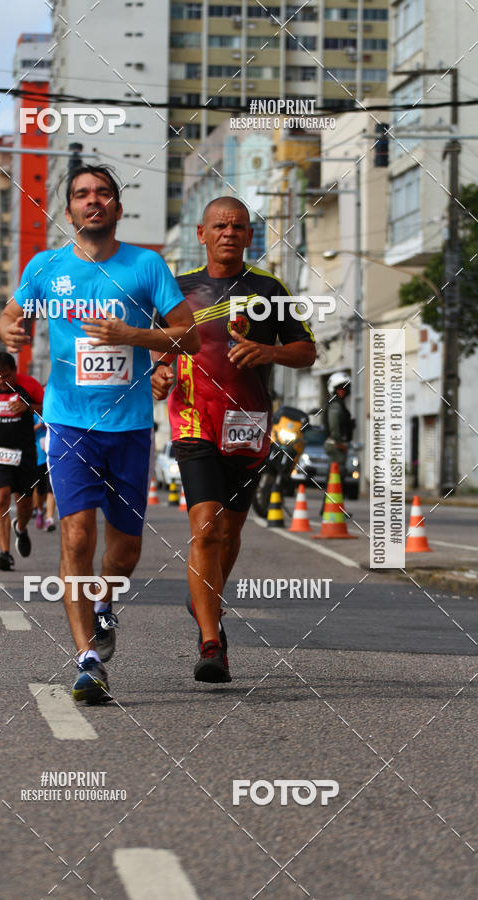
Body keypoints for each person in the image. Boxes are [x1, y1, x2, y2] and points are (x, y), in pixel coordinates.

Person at [0, 164, 199, 703]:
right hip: (68, 422)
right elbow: (11, 316)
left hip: (129, 425)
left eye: (103, 194)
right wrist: (10, 327)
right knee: (77, 535)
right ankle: (88, 659)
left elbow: (192, 337)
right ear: (68, 212)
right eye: (83, 195)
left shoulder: (145, 266)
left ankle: (105, 605)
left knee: (125, 551)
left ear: (116, 207)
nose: (93, 202)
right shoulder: (46, 268)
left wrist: (134, 334)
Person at [151, 196, 316, 683]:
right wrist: (159, 374)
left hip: (248, 424)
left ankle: (208, 596)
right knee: (205, 529)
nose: (229, 232)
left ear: (249, 236)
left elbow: (307, 351)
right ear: (201, 234)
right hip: (193, 420)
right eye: (219, 225)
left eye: (239, 226)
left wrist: (270, 351)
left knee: (230, 533)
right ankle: (210, 641)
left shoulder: (269, 289)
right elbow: (161, 349)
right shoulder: (176, 291)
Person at [0, 353, 43, 571]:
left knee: (25, 503)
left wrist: (28, 407)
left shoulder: (30, 385)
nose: (1, 382)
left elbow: (50, 409)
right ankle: (5, 553)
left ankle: (21, 526)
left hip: (25, 453)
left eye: (6, 377)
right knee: (0, 498)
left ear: (15, 370)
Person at [322, 371, 354, 513]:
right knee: (336, 478)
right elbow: (334, 426)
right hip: (336, 446)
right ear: (334, 389)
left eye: (345, 388)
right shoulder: (335, 406)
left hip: (337, 445)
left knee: (335, 479)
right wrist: (339, 442)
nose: (343, 391)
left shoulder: (338, 404)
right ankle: (332, 509)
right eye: (340, 388)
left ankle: (331, 508)